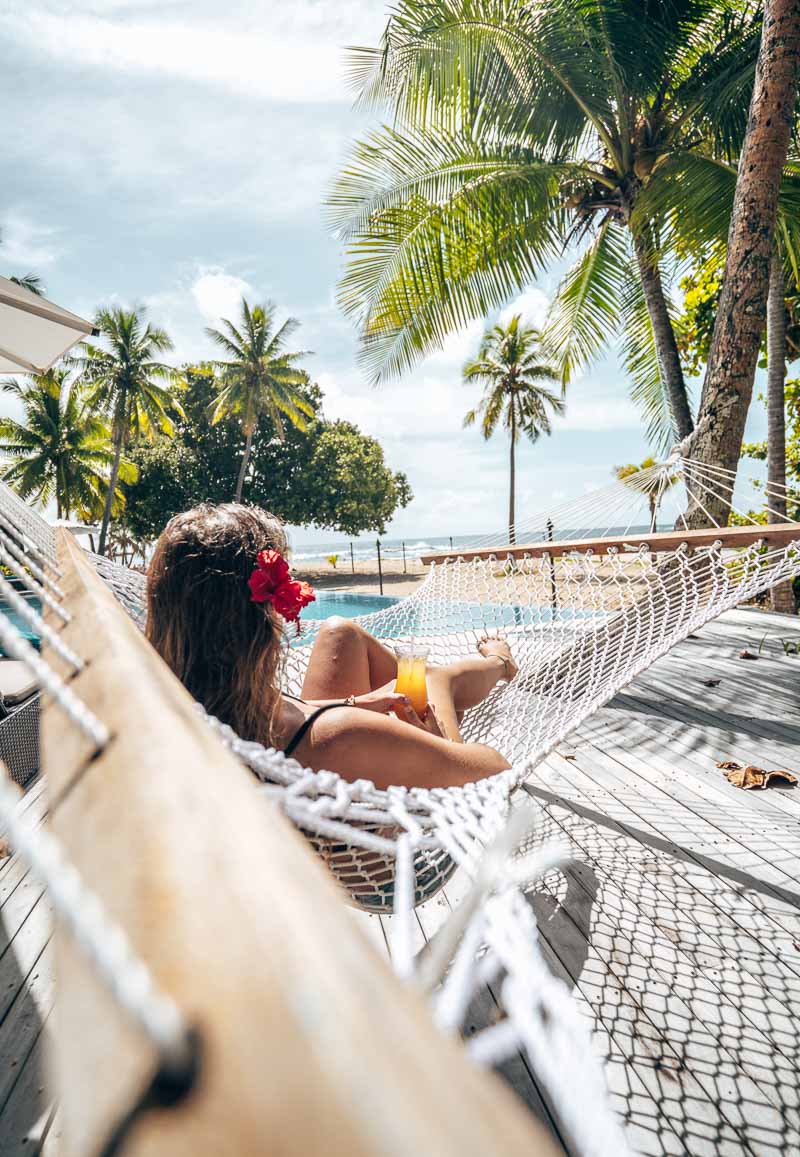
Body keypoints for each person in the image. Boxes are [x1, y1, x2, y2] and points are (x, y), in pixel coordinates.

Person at [147, 504, 515, 789]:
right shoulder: (344, 736)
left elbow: (284, 719)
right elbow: (497, 770)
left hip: (301, 763)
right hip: (385, 859)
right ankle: (499, 661)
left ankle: (495, 664)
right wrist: (435, 743)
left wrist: (352, 703)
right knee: (429, 678)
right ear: (260, 617)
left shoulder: (172, 704)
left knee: (342, 632)